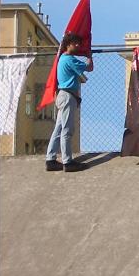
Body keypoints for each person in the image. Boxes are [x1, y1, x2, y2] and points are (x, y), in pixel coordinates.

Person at [45, 33, 94, 172]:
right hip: (67, 96)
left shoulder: (62, 59)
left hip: (63, 95)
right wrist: (89, 56)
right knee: (67, 130)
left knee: (59, 128)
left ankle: (50, 159)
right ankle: (67, 162)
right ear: (68, 44)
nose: (78, 45)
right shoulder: (69, 59)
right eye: (75, 43)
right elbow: (89, 67)